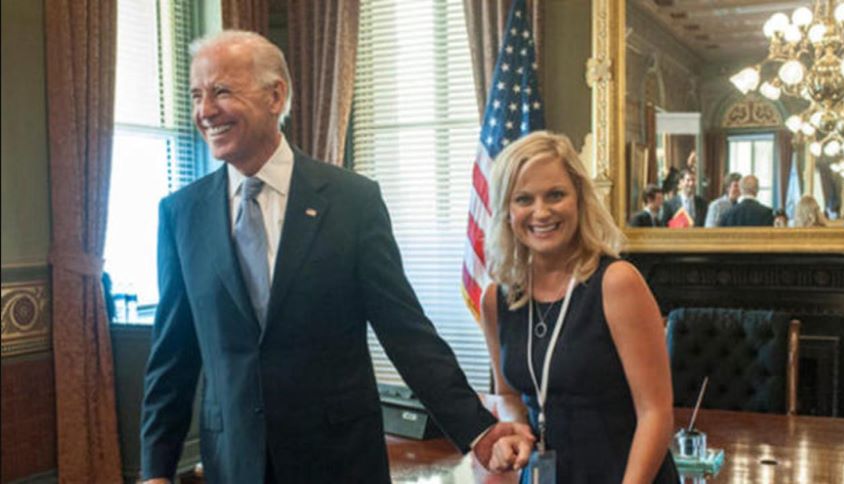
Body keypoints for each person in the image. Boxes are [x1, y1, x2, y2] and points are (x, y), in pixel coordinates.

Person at [139, 30, 532, 484]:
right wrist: (156, 471)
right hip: (234, 463)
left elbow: (406, 333)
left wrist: (479, 431)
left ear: (275, 95)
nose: (205, 111)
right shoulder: (181, 215)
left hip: (338, 461)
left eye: (222, 91)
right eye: (196, 95)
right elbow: (172, 357)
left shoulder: (352, 202)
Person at [479, 131, 678, 482]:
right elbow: (509, 393)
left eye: (555, 195)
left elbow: (656, 414)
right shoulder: (497, 298)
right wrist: (514, 431)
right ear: (507, 212)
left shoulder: (618, 283)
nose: (541, 212)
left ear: (580, 199)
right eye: (523, 199)